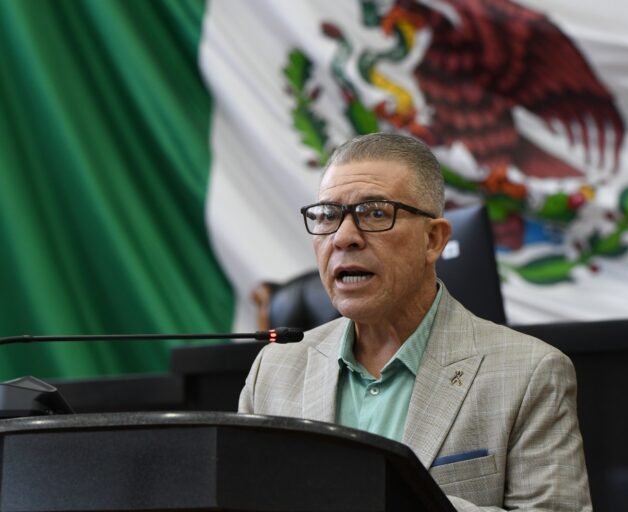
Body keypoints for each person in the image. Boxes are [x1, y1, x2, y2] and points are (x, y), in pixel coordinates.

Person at [238, 132, 592, 511]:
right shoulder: (274, 371)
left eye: (375, 213)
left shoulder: (529, 373)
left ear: (433, 240)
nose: (343, 237)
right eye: (327, 216)